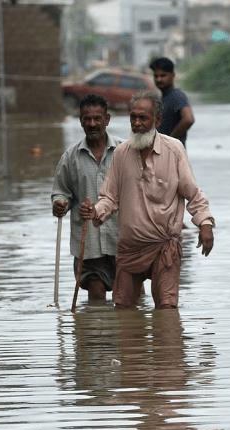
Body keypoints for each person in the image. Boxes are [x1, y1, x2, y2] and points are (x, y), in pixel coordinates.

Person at [79, 91, 214, 310]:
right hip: (130, 248)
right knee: (123, 310)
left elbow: (193, 193)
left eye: (144, 118)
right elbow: (109, 197)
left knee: (167, 309)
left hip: (165, 246)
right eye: (133, 117)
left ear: (158, 121)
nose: (137, 123)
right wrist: (95, 211)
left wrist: (205, 223)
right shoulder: (121, 153)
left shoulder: (174, 150)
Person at [51, 94, 124, 302]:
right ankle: (92, 334)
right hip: (89, 241)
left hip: (123, 239)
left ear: (107, 119)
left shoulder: (124, 151)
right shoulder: (70, 157)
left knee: (129, 297)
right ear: (80, 120)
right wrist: (60, 204)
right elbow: (61, 191)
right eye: (87, 119)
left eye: (97, 118)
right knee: (96, 295)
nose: (92, 124)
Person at [149, 57, 194, 146]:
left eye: (163, 75)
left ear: (172, 75)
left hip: (174, 154)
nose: (159, 79)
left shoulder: (177, 96)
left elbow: (189, 119)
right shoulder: (162, 98)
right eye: (156, 76)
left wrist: (169, 141)